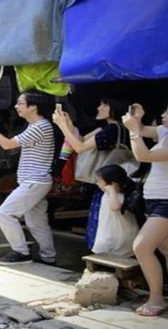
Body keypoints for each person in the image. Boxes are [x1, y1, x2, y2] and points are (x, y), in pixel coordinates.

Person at [0, 90, 57, 265]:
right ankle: (48, 258)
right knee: (36, 222)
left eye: (20, 103)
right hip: (35, 181)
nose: (16, 107)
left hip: (34, 182)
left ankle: (21, 252)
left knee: (5, 214)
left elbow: (7, 145)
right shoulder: (35, 126)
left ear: (33, 107)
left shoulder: (40, 126)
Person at [52, 98, 129, 249]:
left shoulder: (112, 130)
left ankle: (106, 254)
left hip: (109, 185)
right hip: (108, 183)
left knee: (107, 221)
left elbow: (79, 147)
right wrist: (68, 124)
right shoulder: (107, 129)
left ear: (114, 108)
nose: (99, 108)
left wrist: (62, 126)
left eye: (104, 105)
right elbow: (79, 140)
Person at [122, 103, 168, 317]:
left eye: (167, 112)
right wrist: (137, 119)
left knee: (141, 246)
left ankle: (156, 298)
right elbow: (141, 131)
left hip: (165, 203)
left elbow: (144, 155)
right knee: (165, 249)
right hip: (155, 199)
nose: (162, 114)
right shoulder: (164, 132)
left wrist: (133, 130)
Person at [91, 165, 139, 256]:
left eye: (99, 181)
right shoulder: (107, 194)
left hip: (117, 234)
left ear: (112, 184)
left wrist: (112, 191)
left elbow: (115, 207)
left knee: (107, 250)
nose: (97, 183)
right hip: (109, 230)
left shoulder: (120, 196)